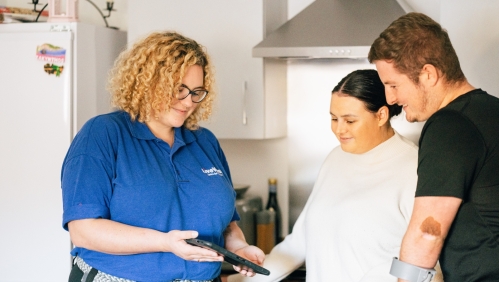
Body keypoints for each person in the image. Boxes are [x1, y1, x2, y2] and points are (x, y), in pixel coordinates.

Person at [61, 31, 264, 282]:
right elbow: (83, 231)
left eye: (196, 91)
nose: (188, 102)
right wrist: (165, 242)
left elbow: (227, 224)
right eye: (179, 89)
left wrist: (239, 248)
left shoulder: (204, 141)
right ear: (147, 82)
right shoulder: (103, 134)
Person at [230, 69, 443, 282]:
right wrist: (241, 281)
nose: (339, 130)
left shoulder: (414, 168)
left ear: (381, 115)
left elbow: (428, 265)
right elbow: (300, 242)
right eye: (334, 118)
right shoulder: (335, 158)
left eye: (350, 121)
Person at [369, 12, 499, 281]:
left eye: (393, 84)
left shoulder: (449, 125)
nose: (390, 98)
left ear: (428, 74)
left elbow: (428, 233)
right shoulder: (491, 111)